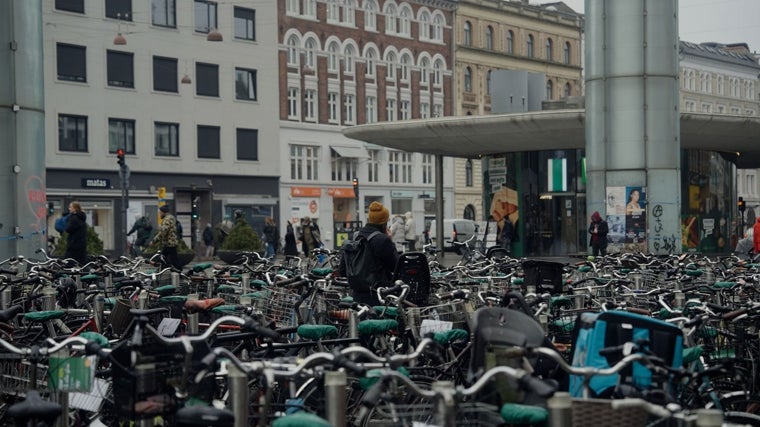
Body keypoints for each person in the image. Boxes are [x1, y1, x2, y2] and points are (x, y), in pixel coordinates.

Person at [339, 201, 399, 305]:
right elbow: (395, 266)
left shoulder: (354, 237)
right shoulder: (382, 240)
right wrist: (390, 240)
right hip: (378, 295)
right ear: (384, 223)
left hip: (357, 295)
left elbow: (343, 270)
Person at [151, 205, 180, 269]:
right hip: (169, 243)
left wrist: (154, 240)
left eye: (160, 212)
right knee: (163, 257)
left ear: (164, 212)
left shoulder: (167, 219)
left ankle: (178, 272)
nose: (159, 214)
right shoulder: (170, 218)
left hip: (170, 243)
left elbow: (163, 232)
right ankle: (161, 269)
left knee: (174, 260)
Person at [64, 201, 88, 265]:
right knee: (81, 263)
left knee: (69, 263)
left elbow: (68, 229)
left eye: (70, 207)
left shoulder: (74, 218)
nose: (69, 209)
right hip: (81, 245)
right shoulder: (82, 218)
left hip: (73, 244)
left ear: (75, 208)